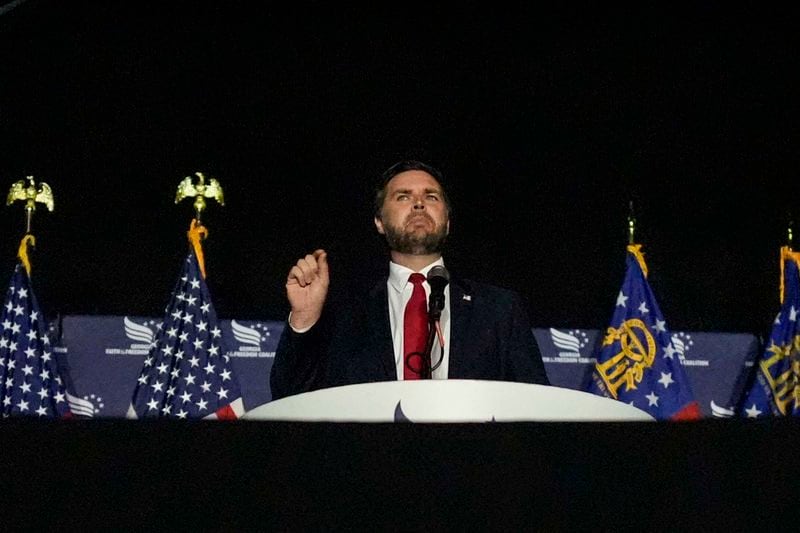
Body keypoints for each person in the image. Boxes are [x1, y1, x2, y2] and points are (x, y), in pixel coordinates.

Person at [269, 160, 550, 400]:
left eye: (431, 197)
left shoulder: (498, 309)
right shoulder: (346, 312)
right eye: (403, 196)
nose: (418, 204)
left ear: (448, 222)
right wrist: (305, 319)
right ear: (379, 221)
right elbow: (290, 397)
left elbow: (535, 406)